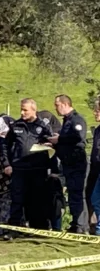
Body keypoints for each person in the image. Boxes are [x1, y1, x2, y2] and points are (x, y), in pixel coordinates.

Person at [5, 98, 55, 238]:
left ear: (34, 110)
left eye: (25, 110)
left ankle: (38, 229)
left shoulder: (43, 126)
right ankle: (13, 230)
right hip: (19, 169)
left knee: (37, 201)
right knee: (17, 200)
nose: (22, 112)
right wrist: (7, 163)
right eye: (21, 109)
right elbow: (5, 145)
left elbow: (51, 146)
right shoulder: (16, 126)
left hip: (38, 170)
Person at [50, 95, 89, 233]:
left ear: (65, 104)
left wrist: (59, 139)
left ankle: (81, 225)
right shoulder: (67, 121)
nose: (55, 108)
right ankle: (75, 223)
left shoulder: (76, 120)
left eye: (57, 105)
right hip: (68, 164)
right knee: (72, 194)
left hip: (76, 163)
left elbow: (79, 137)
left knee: (78, 194)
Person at [90, 101, 100, 234]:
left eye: (97, 110)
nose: (94, 113)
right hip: (98, 170)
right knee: (95, 199)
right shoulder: (98, 130)